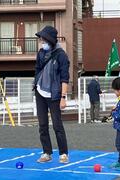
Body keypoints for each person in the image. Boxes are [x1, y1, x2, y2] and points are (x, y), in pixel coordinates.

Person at [33, 26, 70, 163]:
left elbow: (65, 78)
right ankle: (46, 153)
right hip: (40, 93)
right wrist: (36, 84)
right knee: (42, 125)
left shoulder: (61, 55)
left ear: (51, 40)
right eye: (41, 39)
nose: (42, 42)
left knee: (57, 125)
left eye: (44, 39)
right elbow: (37, 70)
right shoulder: (41, 53)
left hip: (54, 95)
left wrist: (63, 98)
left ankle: (63, 153)